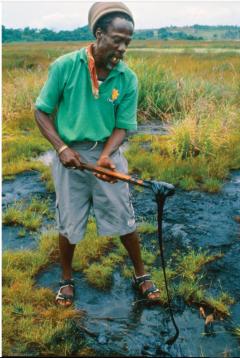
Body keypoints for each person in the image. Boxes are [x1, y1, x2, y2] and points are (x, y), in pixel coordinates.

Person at [34, 2, 160, 307]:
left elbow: (123, 126)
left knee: (124, 218)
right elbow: (41, 112)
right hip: (70, 157)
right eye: (116, 39)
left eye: (127, 42)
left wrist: (106, 156)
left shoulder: (127, 78)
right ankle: (66, 279)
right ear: (99, 33)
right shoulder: (65, 66)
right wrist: (62, 148)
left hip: (108, 155)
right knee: (69, 221)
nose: (122, 48)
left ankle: (141, 275)